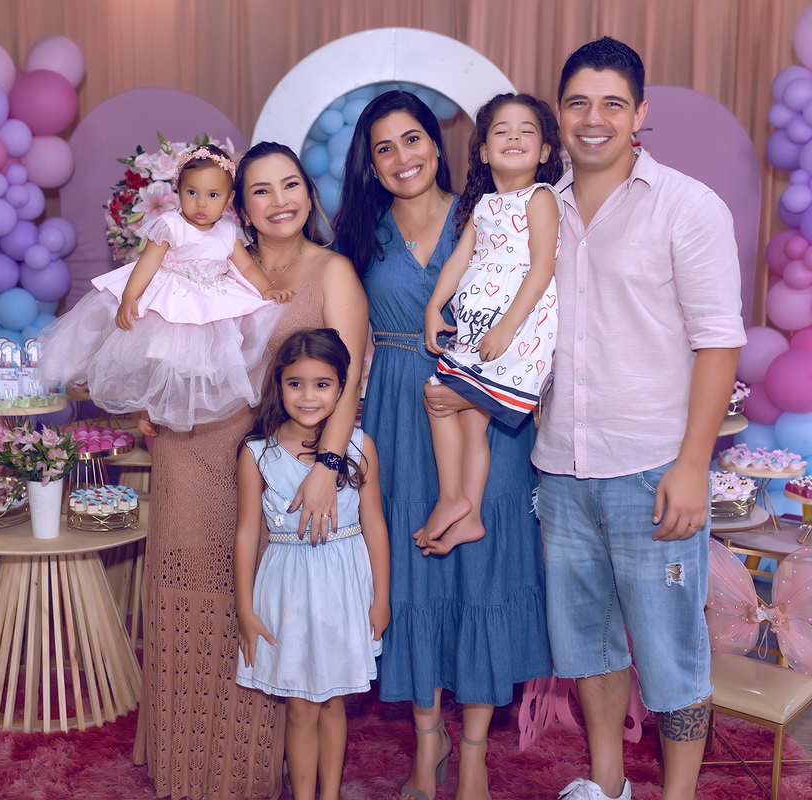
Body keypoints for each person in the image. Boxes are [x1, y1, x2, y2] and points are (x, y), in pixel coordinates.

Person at [533, 38, 745, 800]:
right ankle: (608, 784)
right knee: (587, 647)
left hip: (654, 469)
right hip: (560, 468)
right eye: (578, 103)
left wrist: (692, 466)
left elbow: (719, 342)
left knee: (671, 651)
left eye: (612, 104)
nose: (593, 119)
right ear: (559, 112)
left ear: (639, 113)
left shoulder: (687, 206)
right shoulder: (539, 209)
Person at [334, 91, 551, 800]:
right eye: (384, 148)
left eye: (413, 139)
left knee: (482, 568)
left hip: (483, 399)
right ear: (370, 164)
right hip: (398, 410)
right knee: (412, 569)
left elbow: (542, 300)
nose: (403, 157)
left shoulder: (484, 212)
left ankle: (476, 753)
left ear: (438, 143)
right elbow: (336, 331)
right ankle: (429, 742)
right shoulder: (360, 234)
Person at [135, 141, 368, 800]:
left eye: (290, 184)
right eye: (261, 190)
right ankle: (189, 767)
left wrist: (328, 466)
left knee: (267, 611)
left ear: (309, 194)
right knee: (192, 598)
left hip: (280, 470)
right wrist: (153, 398)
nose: (279, 201)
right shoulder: (211, 259)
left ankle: (254, 769)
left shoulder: (333, 272)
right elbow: (162, 334)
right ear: (240, 205)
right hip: (192, 451)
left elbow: (349, 383)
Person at [36, 143, 293, 432]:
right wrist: (130, 296)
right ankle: (146, 409)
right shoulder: (171, 225)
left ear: (229, 198)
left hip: (209, 306)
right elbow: (147, 264)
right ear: (178, 190)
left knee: (203, 364)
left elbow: (246, 267)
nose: (201, 203)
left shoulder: (227, 231)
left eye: (213, 195)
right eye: (192, 192)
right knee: (159, 359)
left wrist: (265, 289)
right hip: (171, 303)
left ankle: (192, 410)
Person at [234, 328, 391, 800]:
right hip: (287, 593)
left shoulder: (359, 446)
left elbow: (375, 526)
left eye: (322, 384)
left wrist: (382, 598)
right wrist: (244, 608)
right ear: (279, 385)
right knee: (300, 706)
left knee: (333, 702)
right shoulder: (257, 453)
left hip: (344, 590)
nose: (308, 396)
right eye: (295, 383)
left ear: (343, 388)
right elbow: (247, 533)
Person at [418, 93, 562, 556]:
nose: (513, 137)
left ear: (544, 151)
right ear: (483, 151)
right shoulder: (483, 205)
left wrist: (506, 328)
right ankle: (470, 514)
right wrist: (434, 306)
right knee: (469, 423)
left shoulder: (541, 198)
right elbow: (460, 258)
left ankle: (452, 498)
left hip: (517, 329)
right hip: (478, 326)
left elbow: (543, 267)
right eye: (502, 131)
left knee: (438, 399)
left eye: (526, 131)